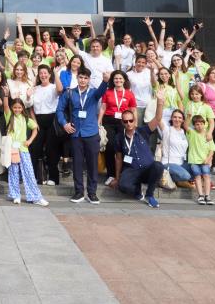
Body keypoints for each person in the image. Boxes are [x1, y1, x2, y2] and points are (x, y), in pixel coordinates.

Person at [56, 67, 107, 203]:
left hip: (91, 132)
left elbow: (102, 91)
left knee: (92, 164)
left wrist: (105, 81)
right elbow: (60, 110)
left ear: (89, 80)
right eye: (81, 77)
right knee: (77, 164)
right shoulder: (69, 93)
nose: (83, 80)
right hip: (75, 133)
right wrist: (64, 124)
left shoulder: (94, 93)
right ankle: (79, 192)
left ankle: (92, 193)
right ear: (77, 78)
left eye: (85, 78)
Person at [112, 108, 163, 208]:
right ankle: (137, 191)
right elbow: (118, 158)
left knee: (158, 166)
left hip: (147, 168)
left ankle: (149, 195)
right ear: (122, 122)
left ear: (134, 120)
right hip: (131, 170)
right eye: (125, 121)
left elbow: (157, 118)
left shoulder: (143, 131)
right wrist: (117, 178)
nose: (129, 123)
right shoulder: (119, 137)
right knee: (122, 186)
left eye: (131, 120)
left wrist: (160, 101)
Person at [4, 99, 49, 206]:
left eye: (19, 107)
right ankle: (15, 195)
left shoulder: (26, 118)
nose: (17, 109)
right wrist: (6, 96)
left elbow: (35, 129)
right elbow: (5, 105)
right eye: (15, 107)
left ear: (23, 108)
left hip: (23, 149)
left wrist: (30, 141)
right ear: (12, 108)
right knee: (14, 172)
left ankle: (35, 197)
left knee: (29, 173)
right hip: (12, 150)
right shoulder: (9, 116)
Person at [100, 71, 136, 177]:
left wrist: (135, 124)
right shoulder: (108, 92)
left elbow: (133, 110)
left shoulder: (129, 93)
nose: (118, 80)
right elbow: (103, 108)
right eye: (116, 78)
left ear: (124, 80)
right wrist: (98, 123)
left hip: (124, 122)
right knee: (110, 146)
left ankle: (124, 173)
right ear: (112, 80)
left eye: (120, 78)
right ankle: (111, 174)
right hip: (109, 121)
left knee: (124, 147)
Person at [30, 65, 60, 185]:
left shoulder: (53, 87)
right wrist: (34, 122)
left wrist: (56, 74)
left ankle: (53, 177)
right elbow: (31, 106)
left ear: (49, 74)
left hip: (52, 118)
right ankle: (36, 176)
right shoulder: (35, 88)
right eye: (41, 73)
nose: (43, 75)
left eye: (45, 73)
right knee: (35, 148)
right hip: (38, 119)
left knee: (51, 149)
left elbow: (60, 89)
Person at [186, 114, 215, 205]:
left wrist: (208, 159)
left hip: (205, 161)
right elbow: (185, 126)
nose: (199, 126)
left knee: (207, 177)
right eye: (197, 124)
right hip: (194, 160)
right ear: (194, 125)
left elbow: (212, 149)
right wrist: (188, 117)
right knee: (197, 177)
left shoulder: (208, 135)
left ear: (205, 124)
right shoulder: (192, 133)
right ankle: (200, 196)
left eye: (201, 124)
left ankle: (207, 195)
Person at [158, 106, 191, 188]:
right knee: (186, 176)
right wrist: (160, 102)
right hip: (168, 163)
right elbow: (158, 118)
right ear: (171, 118)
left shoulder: (184, 132)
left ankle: (178, 180)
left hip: (182, 163)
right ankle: (181, 181)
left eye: (180, 118)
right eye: (175, 117)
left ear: (183, 120)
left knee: (198, 170)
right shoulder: (167, 129)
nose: (177, 119)